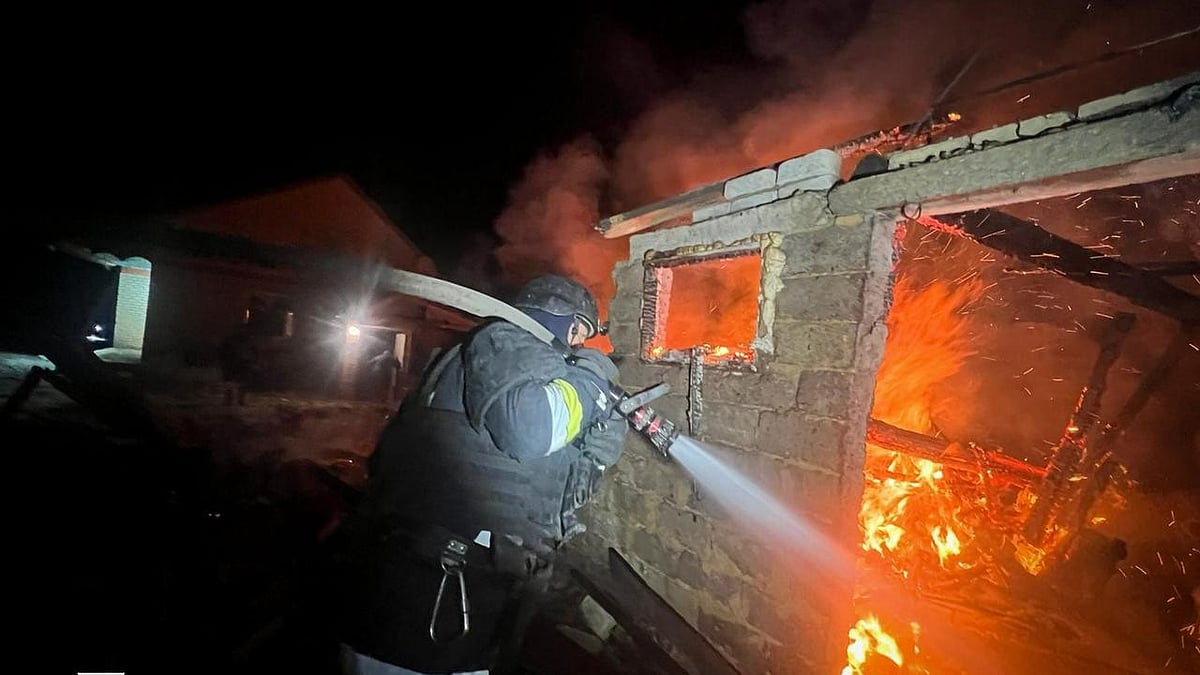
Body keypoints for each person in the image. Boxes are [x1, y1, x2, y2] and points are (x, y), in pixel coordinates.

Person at [333, 274, 628, 675]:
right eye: (582, 336)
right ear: (570, 324)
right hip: (432, 603)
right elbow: (532, 429)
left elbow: (542, 480)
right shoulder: (506, 341)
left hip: (432, 599)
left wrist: (594, 447)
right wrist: (594, 379)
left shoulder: (485, 361)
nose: (579, 347)